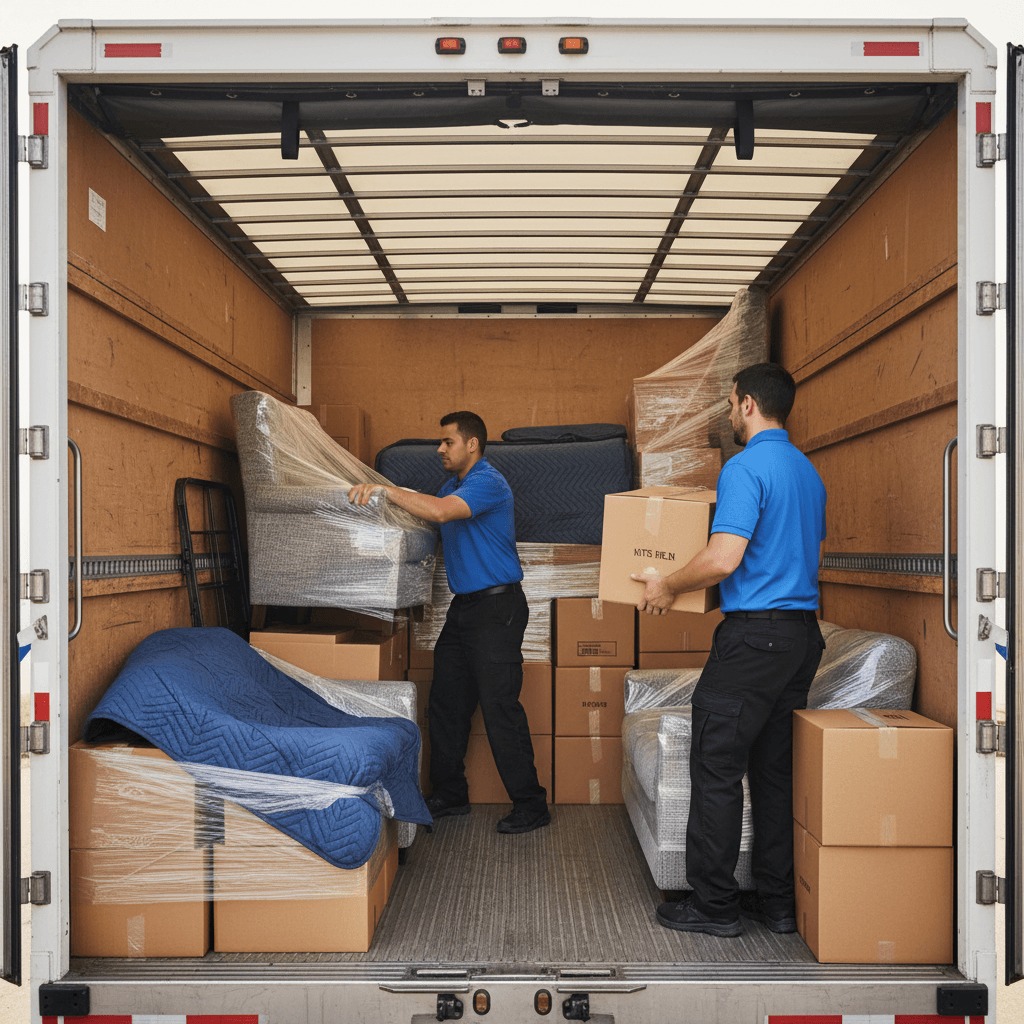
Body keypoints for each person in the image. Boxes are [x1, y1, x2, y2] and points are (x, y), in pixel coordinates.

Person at [631, 362, 826, 938]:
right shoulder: (807, 471)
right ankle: (778, 904)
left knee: (715, 767)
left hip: (754, 638)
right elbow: (802, 556)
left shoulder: (745, 468)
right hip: (800, 637)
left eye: (730, 402)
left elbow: (724, 557)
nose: (728, 412)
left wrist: (666, 584)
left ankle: (714, 906)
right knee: (772, 773)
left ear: (745, 404)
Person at [349, 411, 550, 835]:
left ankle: (532, 805)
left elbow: (440, 514)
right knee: (446, 702)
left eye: (447, 442)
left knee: (499, 708)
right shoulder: (450, 486)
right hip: (465, 610)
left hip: (498, 609)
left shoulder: (487, 482)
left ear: (472, 444)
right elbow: (422, 519)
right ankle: (450, 792)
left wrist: (386, 490)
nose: (439, 449)